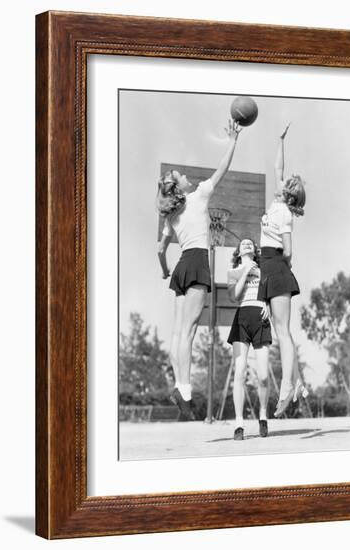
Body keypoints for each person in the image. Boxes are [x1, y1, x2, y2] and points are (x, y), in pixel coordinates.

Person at [157, 120, 242, 420]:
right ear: (178, 188)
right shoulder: (200, 196)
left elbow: (159, 249)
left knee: (178, 332)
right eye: (180, 175)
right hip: (196, 263)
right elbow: (223, 167)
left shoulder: (172, 217)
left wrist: (165, 271)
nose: (185, 175)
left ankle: (180, 388)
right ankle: (185, 392)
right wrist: (233, 140)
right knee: (190, 332)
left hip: (181, 266)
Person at [257, 123, 308, 417]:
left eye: (286, 181)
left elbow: (289, 250)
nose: (282, 179)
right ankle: (297, 381)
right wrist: (280, 139)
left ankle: (288, 386)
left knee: (282, 332)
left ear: (287, 192)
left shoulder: (285, 214)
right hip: (269, 267)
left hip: (276, 265)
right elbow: (278, 166)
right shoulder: (278, 200)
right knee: (279, 331)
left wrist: (283, 267)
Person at [227, 238, 272, 440]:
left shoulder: (264, 272)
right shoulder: (233, 272)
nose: (247, 244)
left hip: (260, 319)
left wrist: (268, 305)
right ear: (238, 251)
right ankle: (239, 424)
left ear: (255, 250)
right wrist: (245, 270)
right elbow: (234, 296)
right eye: (243, 243)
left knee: (263, 376)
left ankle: (263, 415)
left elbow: (271, 296)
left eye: (250, 243)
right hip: (242, 319)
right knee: (239, 373)